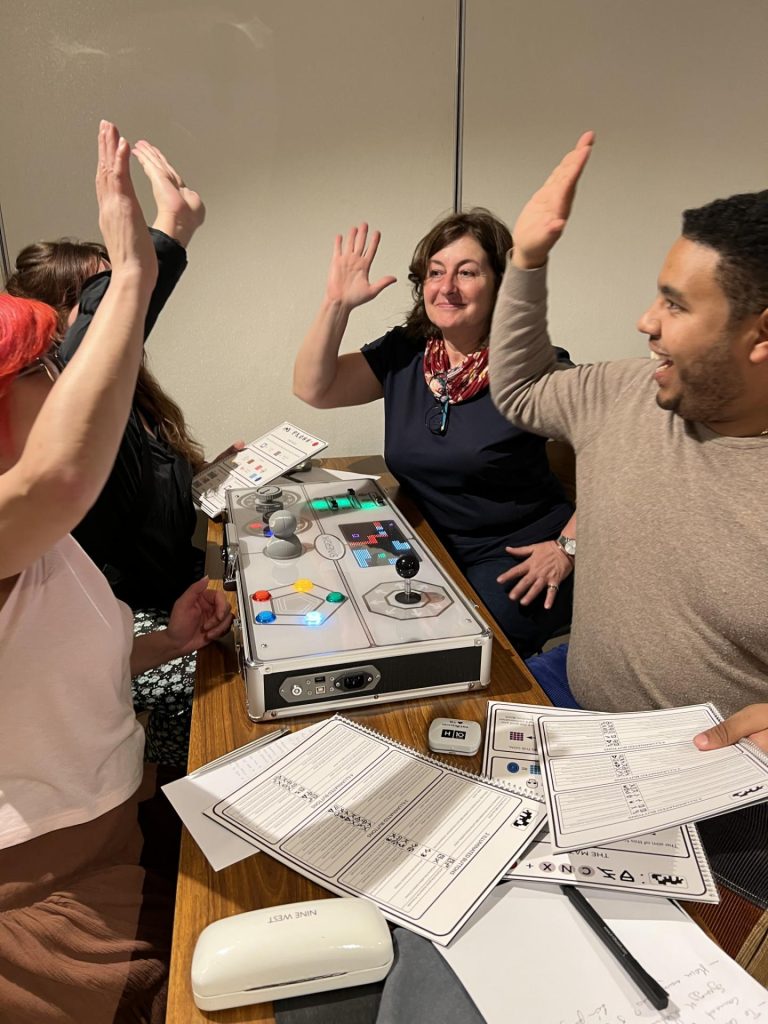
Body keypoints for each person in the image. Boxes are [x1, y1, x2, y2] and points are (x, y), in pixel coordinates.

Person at [0, 121, 232, 1023]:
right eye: (44, 369)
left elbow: (64, 673)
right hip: (46, 903)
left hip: (112, 826)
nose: (66, 382)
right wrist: (139, 266)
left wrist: (163, 642)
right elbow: (60, 471)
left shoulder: (45, 545)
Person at [488, 130, 768, 724]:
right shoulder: (629, 393)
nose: (646, 321)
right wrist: (527, 260)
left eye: (676, 305)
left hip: (703, 774)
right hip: (570, 692)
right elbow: (522, 390)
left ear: (761, 336)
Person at [5, 141, 212, 766]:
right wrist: (156, 244)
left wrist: (171, 640)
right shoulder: (34, 491)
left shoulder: (128, 401)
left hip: (152, 626)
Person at [294, 211, 577, 657]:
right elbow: (315, 388)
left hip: (519, 558)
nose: (446, 287)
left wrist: (567, 547)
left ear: (501, 285)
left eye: (467, 272)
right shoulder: (406, 351)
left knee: (456, 650)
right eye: (435, 272)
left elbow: (619, 456)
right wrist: (336, 304)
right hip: (430, 545)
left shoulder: (533, 366)